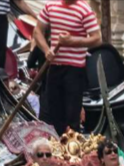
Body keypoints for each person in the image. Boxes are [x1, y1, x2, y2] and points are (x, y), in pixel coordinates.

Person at [31, 0, 100, 134]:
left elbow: (97, 39)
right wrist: (46, 50)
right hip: (55, 68)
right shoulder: (51, 6)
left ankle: (71, 148)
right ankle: (54, 147)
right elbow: (37, 31)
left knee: (72, 117)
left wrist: (72, 41)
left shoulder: (84, 9)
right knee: (53, 113)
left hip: (75, 70)